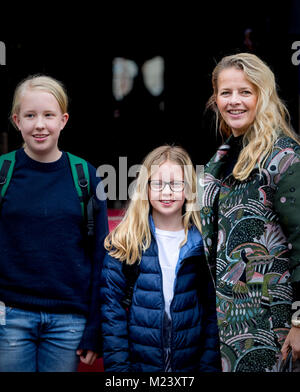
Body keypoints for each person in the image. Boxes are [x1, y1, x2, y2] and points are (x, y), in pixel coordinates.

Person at [0, 75, 108, 372]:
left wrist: (94, 328)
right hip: (10, 317)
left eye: (48, 115)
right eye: (30, 115)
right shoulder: (2, 172)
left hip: (69, 321)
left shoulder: (86, 175)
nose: (39, 124)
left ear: (63, 120)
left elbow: (101, 257)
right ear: (16, 120)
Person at [201, 52, 300, 372]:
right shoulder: (223, 156)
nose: (234, 101)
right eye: (225, 92)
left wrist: (299, 322)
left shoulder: (284, 157)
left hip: (271, 326)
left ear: (263, 95)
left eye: (245, 91)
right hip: (227, 324)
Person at [100, 145, 221, 372]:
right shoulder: (125, 241)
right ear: (145, 188)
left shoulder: (204, 244)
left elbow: (212, 316)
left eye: (176, 184)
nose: (167, 192)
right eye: (157, 183)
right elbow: (111, 314)